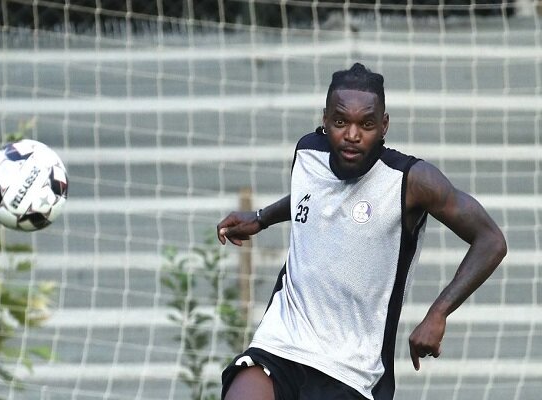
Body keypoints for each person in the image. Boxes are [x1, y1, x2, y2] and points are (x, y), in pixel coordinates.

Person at [215, 63, 507, 400]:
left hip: (352, 371)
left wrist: (438, 313)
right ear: (326, 120)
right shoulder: (308, 153)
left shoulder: (411, 181)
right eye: (341, 122)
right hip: (282, 342)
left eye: (366, 124)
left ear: (384, 126)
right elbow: (313, 196)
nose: (352, 135)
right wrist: (262, 218)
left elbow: (491, 240)